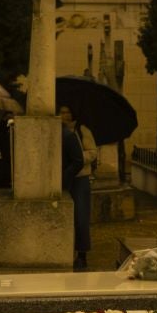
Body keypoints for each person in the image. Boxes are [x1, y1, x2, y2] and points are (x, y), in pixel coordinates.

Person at [60, 106, 95, 271]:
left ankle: (82, 255)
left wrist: (79, 155)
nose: (63, 115)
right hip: (65, 177)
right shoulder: (59, 131)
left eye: (66, 111)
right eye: (60, 111)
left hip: (80, 177)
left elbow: (93, 152)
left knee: (81, 218)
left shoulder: (82, 130)